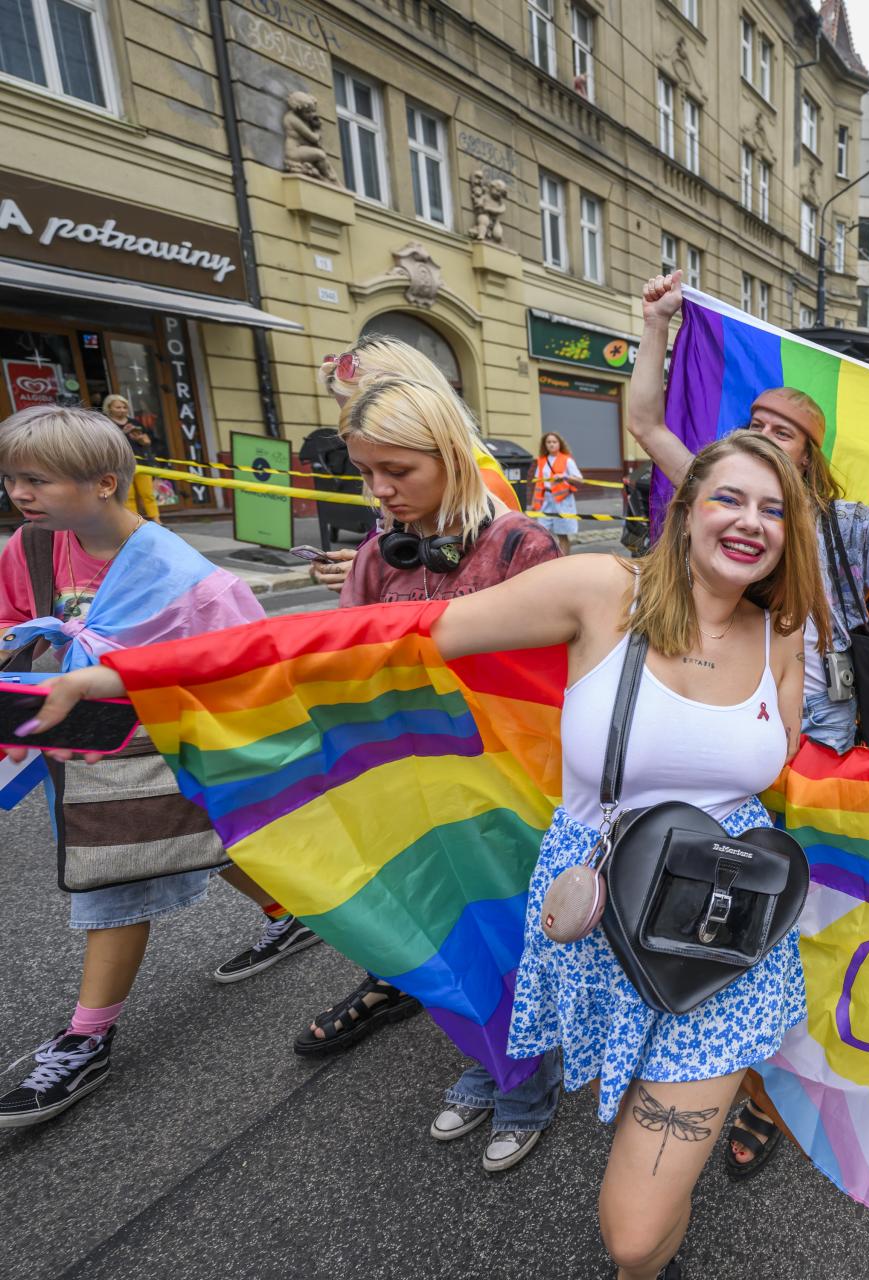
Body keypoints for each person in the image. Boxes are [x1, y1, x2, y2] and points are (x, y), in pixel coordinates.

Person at [19, 432, 828, 1279]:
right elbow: (379, 639)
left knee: (631, 1228)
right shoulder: (603, 592)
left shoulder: (781, 628)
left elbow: (780, 766)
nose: (750, 522)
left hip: (720, 933)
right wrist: (134, 674)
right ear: (687, 507)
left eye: (774, 509)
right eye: (730, 498)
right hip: (597, 922)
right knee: (648, 1173)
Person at [628, 270, 869, 1172]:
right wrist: (656, 331)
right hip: (729, 741)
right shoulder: (716, 497)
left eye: (783, 433)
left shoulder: (839, 526)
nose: (763, 441)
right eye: (755, 425)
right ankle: (716, 1057)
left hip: (826, 748)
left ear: (810, 454)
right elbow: (648, 425)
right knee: (728, 908)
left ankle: (768, 1088)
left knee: (805, 915)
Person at [294, 374, 564, 1173]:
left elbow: (554, 677)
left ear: (449, 452)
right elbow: (340, 658)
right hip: (410, 788)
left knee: (514, 938)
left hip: (508, 792)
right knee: (447, 936)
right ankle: (488, 1061)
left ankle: (529, 1083)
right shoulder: (379, 554)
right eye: (367, 473)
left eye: (397, 472)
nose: (380, 492)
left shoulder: (523, 547)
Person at [0, 405, 269, 1127]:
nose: (20, 493)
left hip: (161, 744)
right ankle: (285, 910)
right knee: (196, 839)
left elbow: (248, 661)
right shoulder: (29, 550)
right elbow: (10, 625)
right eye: (11, 478)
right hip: (79, 741)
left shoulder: (186, 577)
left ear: (105, 483)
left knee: (112, 880)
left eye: (38, 480)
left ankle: (86, 1038)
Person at [307, 339, 523, 591]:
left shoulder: (484, 487)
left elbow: (482, 584)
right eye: (346, 412)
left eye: (367, 407)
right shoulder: (393, 476)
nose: (357, 422)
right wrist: (362, 563)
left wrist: (375, 574)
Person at [100, 394, 162, 522]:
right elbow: (104, 443)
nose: (122, 410)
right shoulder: (105, 424)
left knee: (147, 493)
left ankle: (156, 520)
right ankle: (134, 522)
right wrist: (123, 433)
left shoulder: (135, 422)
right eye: (118, 407)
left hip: (141, 462)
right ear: (109, 408)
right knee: (128, 495)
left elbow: (147, 441)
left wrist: (143, 441)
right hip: (120, 464)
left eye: (124, 407)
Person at [531, 431, 583, 554]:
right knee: (542, 531)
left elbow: (580, 479)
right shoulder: (542, 461)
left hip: (562, 500)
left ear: (559, 444)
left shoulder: (567, 460)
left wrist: (564, 476)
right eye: (548, 442)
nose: (551, 444)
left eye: (554, 442)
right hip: (546, 500)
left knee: (562, 533)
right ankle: (549, 558)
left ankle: (564, 561)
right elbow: (538, 482)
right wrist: (535, 503)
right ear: (545, 445)